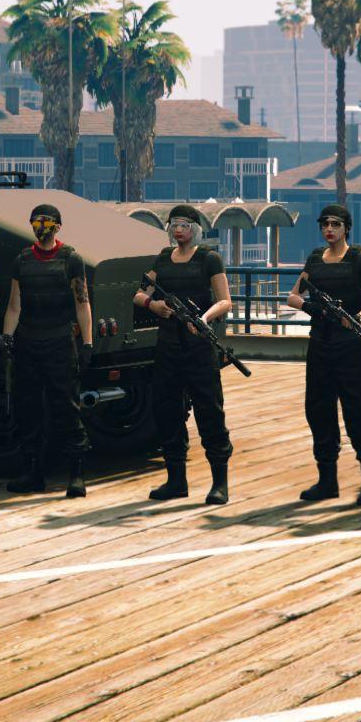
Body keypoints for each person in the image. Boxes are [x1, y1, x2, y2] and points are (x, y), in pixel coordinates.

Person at [133, 204, 236, 504]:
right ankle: (176, 481)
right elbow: (139, 294)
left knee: (209, 411)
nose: (178, 230)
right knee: (167, 412)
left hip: (198, 347)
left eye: (184, 225)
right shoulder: (163, 258)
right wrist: (153, 305)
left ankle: (220, 483)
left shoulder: (209, 258)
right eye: (174, 225)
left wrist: (203, 318)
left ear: (195, 229)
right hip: (167, 346)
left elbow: (225, 301)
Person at [286, 204, 361, 504]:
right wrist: (310, 307)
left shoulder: (360, 258)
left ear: (347, 228)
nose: (329, 229)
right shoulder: (315, 258)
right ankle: (327, 481)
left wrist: (358, 317)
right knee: (318, 412)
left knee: (358, 412)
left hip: (350, 345)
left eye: (335, 224)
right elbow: (293, 296)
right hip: (320, 345)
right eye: (324, 224)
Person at [2, 203, 93, 498]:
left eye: (47, 222)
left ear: (58, 226)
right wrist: (7, 339)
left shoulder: (72, 259)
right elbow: (14, 305)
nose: (41, 228)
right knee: (27, 411)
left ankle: (76, 475)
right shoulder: (21, 260)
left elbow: (82, 303)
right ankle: (33, 474)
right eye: (36, 222)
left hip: (59, 344)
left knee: (66, 408)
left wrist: (88, 343)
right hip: (28, 344)